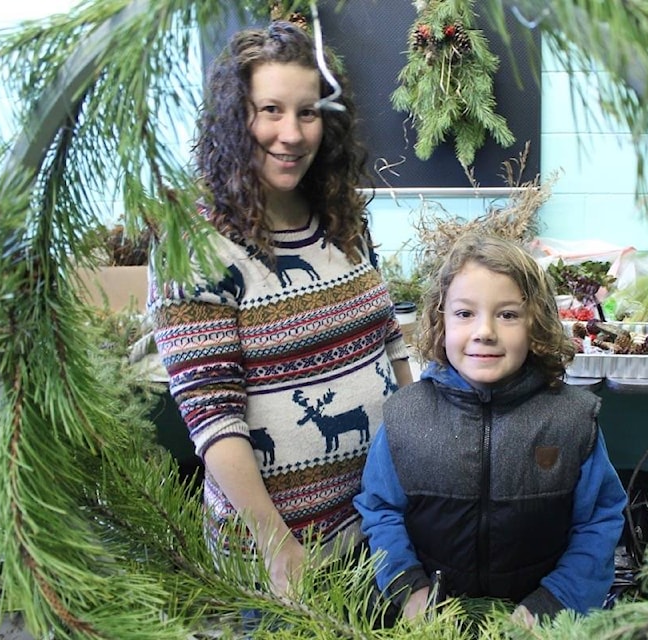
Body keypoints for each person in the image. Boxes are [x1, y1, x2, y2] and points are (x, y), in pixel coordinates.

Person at [147, 20, 413, 603]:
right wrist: (275, 544)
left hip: (379, 531)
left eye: (308, 112)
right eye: (270, 109)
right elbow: (213, 418)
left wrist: (416, 468)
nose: (290, 133)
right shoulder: (194, 245)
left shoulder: (341, 217)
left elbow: (390, 344)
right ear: (234, 119)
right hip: (283, 559)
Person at [354, 233, 627, 627]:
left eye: (508, 314)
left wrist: (555, 600)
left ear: (536, 323)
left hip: (541, 621)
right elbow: (380, 509)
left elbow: (599, 521)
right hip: (432, 621)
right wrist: (408, 588)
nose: (485, 331)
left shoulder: (572, 418)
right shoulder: (405, 417)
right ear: (440, 320)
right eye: (465, 314)